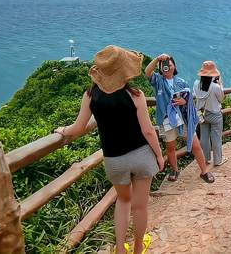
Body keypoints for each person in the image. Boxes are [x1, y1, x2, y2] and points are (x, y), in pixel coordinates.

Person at [55, 45, 164, 254]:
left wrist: (62, 130)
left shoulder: (91, 95)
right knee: (140, 206)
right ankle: (138, 248)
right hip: (141, 155)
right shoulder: (135, 94)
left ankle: (120, 249)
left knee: (123, 201)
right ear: (125, 71)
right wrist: (159, 155)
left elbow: (77, 129)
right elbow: (148, 131)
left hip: (114, 160)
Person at [145, 53, 214, 183]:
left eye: (169, 65)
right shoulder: (158, 81)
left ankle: (204, 171)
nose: (167, 68)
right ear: (160, 68)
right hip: (166, 120)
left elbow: (188, 99)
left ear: (174, 66)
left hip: (183, 118)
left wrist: (184, 101)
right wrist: (157, 59)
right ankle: (175, 169)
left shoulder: (181, 82)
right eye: (164, 66)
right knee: (171, 147)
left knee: (196, 145)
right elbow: (147, 72)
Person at [193, 61, 227, 166]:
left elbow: (195, 95)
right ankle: (218, 160)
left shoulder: (196, 84)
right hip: (214, 114)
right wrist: (220, 84)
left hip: (201, 114)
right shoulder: (215, 87)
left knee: (204, 137)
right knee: (216, 137)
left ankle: (206, 159)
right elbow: (221, 99)